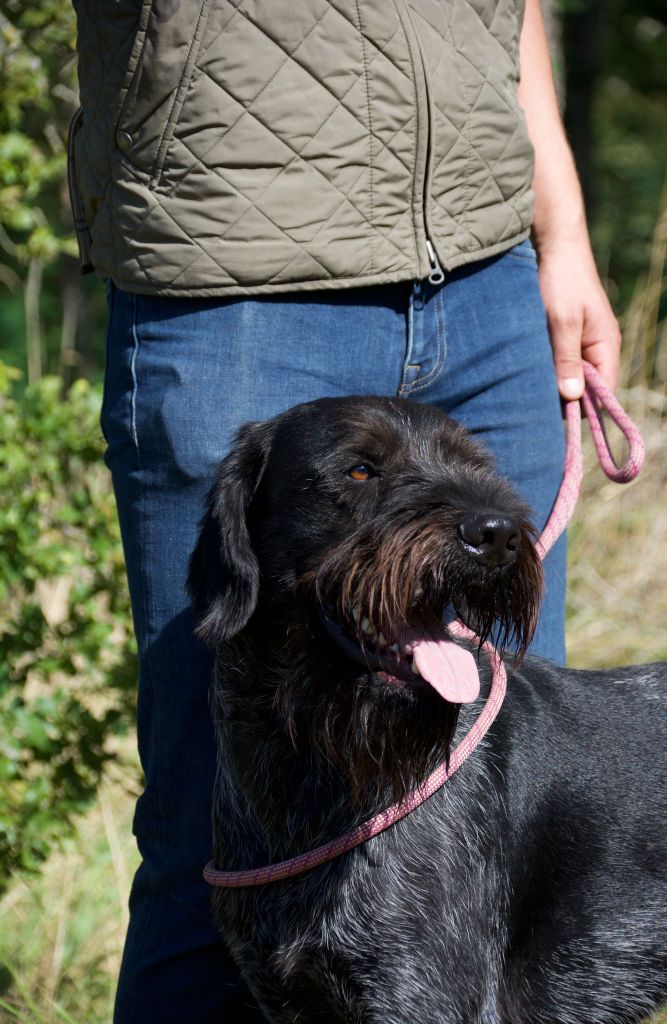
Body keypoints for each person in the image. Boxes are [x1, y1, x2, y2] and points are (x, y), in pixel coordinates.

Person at [68, 1, 621, 1020]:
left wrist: (563, 233)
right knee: (220, 848)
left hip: (484, 272)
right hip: (236, 276)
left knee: (502, 829)